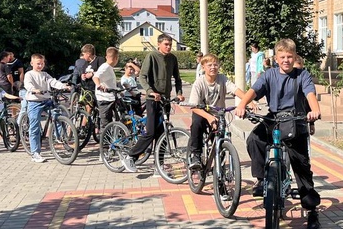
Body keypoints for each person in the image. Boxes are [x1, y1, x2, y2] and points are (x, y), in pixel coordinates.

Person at [235, 38, 323, 229]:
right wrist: (242, 104)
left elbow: (310, 94)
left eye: (289, 57)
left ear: (294, 56)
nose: (286, 60)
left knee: (302, 168)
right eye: (282, 57)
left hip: (296, 121)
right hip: (274, 119)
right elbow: (254, 90)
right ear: (276, 58)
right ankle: (261, 179)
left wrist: (315, 110)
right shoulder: (269, 75)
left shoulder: (302, 75)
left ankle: (311, 211)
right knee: (254, 139)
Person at [121, 34, 184, 173]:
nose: (168, 47)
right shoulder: (152, 56)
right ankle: (130, 156)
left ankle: (159, 165)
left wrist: (179, 93)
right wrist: (150, 91)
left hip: (165, 100)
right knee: (150, 131)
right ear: (159, 44)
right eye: (166, 44)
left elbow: (177, 78)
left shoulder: (172, 58)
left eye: (170, 44)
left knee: (162, 133)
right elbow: (142, 77)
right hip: (153, 99)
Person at [186, 53, 247, 168]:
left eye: (215, 65)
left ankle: (219, 168)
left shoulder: (222, 79)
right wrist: (209, 117)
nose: (213, 67)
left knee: (220, 138)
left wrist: (248, 101)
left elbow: (235, 90)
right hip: (202, 113)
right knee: (197, 124)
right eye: (209, 65)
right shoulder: (199, 83)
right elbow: (193, 106)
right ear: (203, 67)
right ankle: (196, 156)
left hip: (218, 113)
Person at [23, 53, 72, 164]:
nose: (40, 65)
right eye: (38, 63)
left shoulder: (45, 74)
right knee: (34, 127)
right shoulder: (29, 74)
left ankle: (58, 137)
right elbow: (27, 84)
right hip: (34, 102)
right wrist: (34, 90)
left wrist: (63, 86)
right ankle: (35, 153)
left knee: (58, 115)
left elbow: (53, 81)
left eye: (42, 63)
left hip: (46, 100)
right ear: (32, 63)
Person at [93, 47, 121, 126]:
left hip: (111, 97)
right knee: (105, 124)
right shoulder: (105, 67)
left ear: (106, 57)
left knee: (115, 120)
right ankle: (104, 134)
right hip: (104, 99)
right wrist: (99, 85)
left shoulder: (109, 67)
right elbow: (95, 77)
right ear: (116, 58)